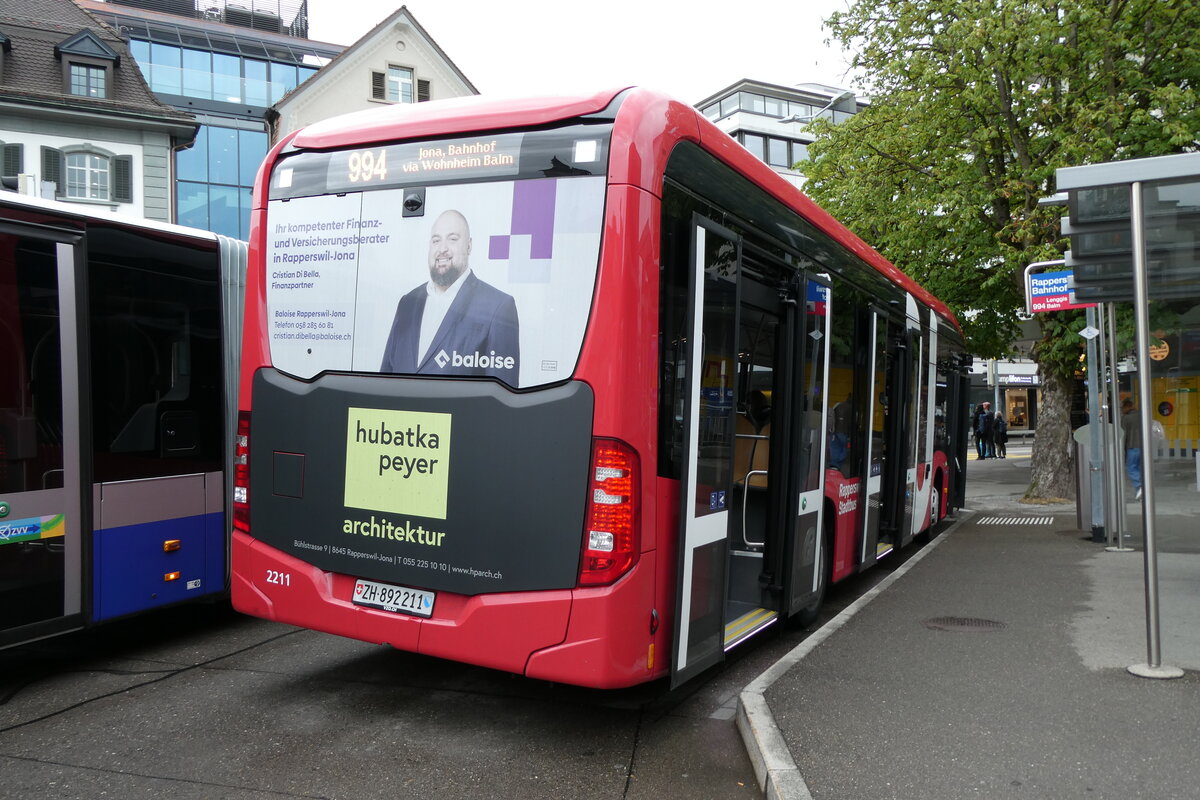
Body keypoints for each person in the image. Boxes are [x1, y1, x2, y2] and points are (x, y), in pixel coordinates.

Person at [380, 209, 520, 384]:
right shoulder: (408, 302)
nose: (442, 249)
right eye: (436, 240)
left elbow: (500, 394)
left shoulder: (498, 307)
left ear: (469, 246)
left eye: (452, 239)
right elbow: (385, 377)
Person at [1120, 397, 1142, 500]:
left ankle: (1139, 486)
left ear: (1126, 407)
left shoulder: (1126, 418)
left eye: (1122, 408)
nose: (1121, 410)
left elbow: (1123, 435)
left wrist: (1121, 449)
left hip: (1132, 447)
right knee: (1140, 468)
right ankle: (1141, 489)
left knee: (1131, 468)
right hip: (1143, 447)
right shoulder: (1141, 415)